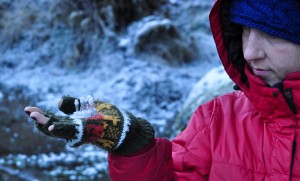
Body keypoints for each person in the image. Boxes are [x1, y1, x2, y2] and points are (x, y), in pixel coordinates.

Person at [24, 0, 300, 180]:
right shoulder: (216, 119)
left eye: (273, 35)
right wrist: (132, 146)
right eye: (244, 31)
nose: (250, 52)